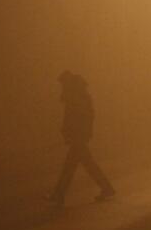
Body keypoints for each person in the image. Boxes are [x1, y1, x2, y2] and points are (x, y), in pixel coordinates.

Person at [48, 70, 116, 206]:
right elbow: (86, 116)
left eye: (62, 83)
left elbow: (74, 117)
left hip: (78, 136)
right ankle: (106, 188)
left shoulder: (75, 97)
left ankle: (59, 194)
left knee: (71, 166)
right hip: (80, 135)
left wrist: (70, 132)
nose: (61, 87)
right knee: (84, 164)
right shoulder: (79, 95)